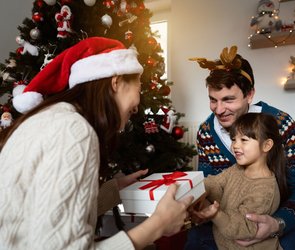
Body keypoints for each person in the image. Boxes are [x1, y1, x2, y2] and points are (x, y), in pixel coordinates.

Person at [0, 37, 194, 250]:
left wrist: (114, 190)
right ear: (116, 82)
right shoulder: (74, 130)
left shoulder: (53, 118)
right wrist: (158, 225)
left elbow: (47, 213)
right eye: (139, 86)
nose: (137, 105)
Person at [185, 45, 295, 250]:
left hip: (274, 218)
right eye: (213, 100)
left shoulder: (281, 124)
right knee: (195, 242)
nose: (219, 110)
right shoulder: (205, 131)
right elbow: (208, 183)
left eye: (228, 99)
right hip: (223, 220)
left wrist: (278, 223)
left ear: (250, 95)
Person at [190, 112, 288, 250]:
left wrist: (215, 214)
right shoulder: (237, 169)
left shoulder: (264, 189)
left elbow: (242, 228)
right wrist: (193, 188)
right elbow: (216, 183)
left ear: (266, 145)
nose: (235, 145)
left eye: (244, 140)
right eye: (234, 139)